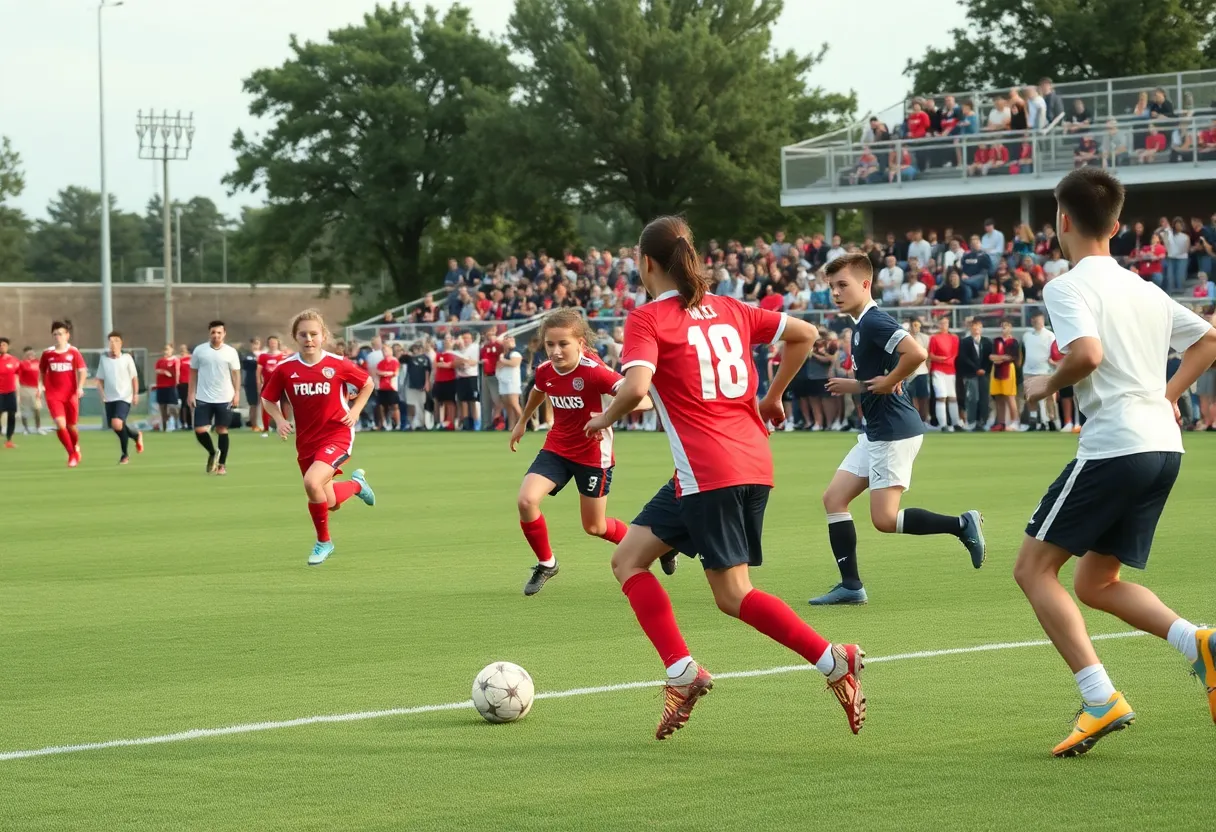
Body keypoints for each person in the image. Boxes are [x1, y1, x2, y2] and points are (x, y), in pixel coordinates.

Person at [583, 216, 866, 741]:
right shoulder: (732, 308)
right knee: (627, 558)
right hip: (746, 463)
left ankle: (834, 660)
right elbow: (804, 334)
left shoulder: (647, 318)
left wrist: (603, 418)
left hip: (708, 471)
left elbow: (637, 383)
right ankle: (681, 672)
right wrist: (773, 394)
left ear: (645, 263)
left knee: (733, 594)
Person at [1013, 167, 1216, 757]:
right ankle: (1198, 642)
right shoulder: (1144, 287)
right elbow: (1207, 341)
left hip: (1116, 446)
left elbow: (1088, 354)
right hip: (1162, 449)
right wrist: (1168, 396)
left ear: (1063, 221)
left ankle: (1101, 699)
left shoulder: (1066, 285)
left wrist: (1044, 386)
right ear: (1119, 224)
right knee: (1097, 582)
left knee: (1032, 570)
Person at [809, 253, 984, 606]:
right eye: (832, 287)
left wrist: (890, 380)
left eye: (843, 285)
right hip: (877, 429)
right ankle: (851, 586)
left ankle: (962, 524)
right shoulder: (861, 325)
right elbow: (883, 376)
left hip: (893, 431)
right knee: (834, 498)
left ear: (865, 284)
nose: (836, 293)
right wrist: (857, 385)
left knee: (884, 519)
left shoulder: (873, 321)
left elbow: (916, 353)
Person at [509, 310, 656, 596]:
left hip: (592, 455)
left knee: (595, 526)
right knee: (526, 500)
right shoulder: (545, 370)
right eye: (550, 344)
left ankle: (656, 544)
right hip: (557, 448)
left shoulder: (594, 372)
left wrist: (606, 416)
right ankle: (547, 562)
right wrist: (522, 421)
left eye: (563, 344)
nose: (555, 350)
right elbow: (539, 390)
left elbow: (643, 400)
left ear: (580, 342)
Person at [260, 310, 377, 566]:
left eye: (314, 333)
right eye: (303, 334)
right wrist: (279, 419)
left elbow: (368, 383)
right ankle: (357, 485)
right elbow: (268, 398)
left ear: (323, 336)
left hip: (337, 433)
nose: (309, 338)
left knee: (312, 483)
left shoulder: (337, 364)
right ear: (295, 337)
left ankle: (324, 542)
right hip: (306, 441)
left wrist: (355, 411)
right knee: (330, 502)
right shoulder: (285, 369)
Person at [188, 321, 241, 475]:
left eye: (219, 333)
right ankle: (212, 452)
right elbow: (192, 372)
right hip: (203, 397)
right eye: (213, 332)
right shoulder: (200, 350)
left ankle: (222, 465)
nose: (216, 335)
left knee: (221, 429)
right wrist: (191, 393)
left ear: (224, 334)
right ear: (209, 333)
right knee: (199, 429)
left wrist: (237, 393)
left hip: (225, 397)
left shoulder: (230, 352)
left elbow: (236, 373)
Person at [39, 320, 87, 467]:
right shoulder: (48, 353)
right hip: (53, 394)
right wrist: (41, 385)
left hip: (70, 394)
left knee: (72, 426)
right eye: (55, 334)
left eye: (60, 333)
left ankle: (76, 446)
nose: (57, 336)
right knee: (61, 424)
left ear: (67, 335)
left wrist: (80, 387)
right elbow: (42, 370)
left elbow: (82, 370)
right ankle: (71, 454)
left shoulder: (74, 352)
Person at [94, 331, 144, 464]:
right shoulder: (104, 360)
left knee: (117, 423)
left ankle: (125, 455)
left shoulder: (127, 358)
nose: (113, 344)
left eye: (116, 341)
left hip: (124, 396)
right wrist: (102, 394)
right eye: (111, 341)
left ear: (121, 343)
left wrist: (135, 394)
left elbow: (134, 377)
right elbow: (99, 379)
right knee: (116, 426)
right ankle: (135, 435)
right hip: (110, 398)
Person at [1022, 311, 1060, 430]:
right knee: (1031, 397)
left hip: (1046, 370)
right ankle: (1033, 421)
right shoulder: (1026, 335)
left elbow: (1055, 352)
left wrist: (1053, 362)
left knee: (1049, 397)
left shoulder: (1050, 335)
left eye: (1038, 320)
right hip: (1029, 371)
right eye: (1033, 320)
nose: (1036, 322)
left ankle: (1051, 421)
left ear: (1043, 320)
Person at [957, 318, 992, 431]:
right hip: (971, 374)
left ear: (981, 328)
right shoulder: (965, 342)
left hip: (984, 374)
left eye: (978, 326)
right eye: (974, 326)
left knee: (984, 398)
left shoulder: (987, 342)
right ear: (971, 328)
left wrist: (984, 370)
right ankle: (971, 421)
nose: (976, 328)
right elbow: (964, 358)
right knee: (972, 398)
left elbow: (989, 358)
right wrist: (976, 369)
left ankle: (982, 422)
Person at [928, 317, 961, 431]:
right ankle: (943, 424)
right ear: (938, 324)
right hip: (938, 370)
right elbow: (931, 355)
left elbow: (955, 354)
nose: (944, 325)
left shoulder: (954, 338)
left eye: (946, 323)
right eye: (941, 323)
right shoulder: (934, 338)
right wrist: (940, 359)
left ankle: (956, 423)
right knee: (941, 396)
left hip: (950, 370)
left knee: (952, 396)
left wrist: (946, 360)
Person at [989, 320, 1022, 431]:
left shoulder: (1013, 342)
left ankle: (1015, 421)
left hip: (1008, 369)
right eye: (1003, 327)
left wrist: (1000, 358)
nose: (1004, 329)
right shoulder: (996, 341)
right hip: (996, 370)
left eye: (1006, 327)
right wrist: (1001, 358)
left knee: (1010, 396)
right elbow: (992, 356)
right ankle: (1001, 422)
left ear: (1010, 328)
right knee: (999, 397)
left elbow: (1011, 357)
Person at [256, 336, 287, 437]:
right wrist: (259, 383)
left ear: (278, 343)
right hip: (267, 385)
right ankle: (265, 429)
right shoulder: (263, 356)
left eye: (275, 342)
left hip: (281, 385)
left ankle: (284, 428)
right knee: (265, 406)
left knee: (283, 406)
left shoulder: (283, 356)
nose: (273, 344)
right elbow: (258, 371)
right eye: (271, 342)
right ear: (268, 343)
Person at [496, 334, 524, 430]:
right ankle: (511, 427)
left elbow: (514, 363)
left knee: (514, 403)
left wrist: (503, 362)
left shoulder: (515, 353)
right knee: (507, 405)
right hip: (503, 381)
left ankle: (522, 425)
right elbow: (498, 366)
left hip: (512, 382)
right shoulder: (502, 354)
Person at [454, 331, 481, 430]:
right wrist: (462, 362)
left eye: (467, 338)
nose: (466, 340)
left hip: (471, 377)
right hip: (461, 377)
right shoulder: (459, 350)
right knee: (463, 401)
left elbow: (474, 362)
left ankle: (476, 424)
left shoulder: (474, 348)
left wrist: (465, 362)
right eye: (464, 338)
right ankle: (466, 424)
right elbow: (455, 363)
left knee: (473, 401)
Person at [403, 342, 432, 430]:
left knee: (420, 405)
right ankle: (411, 423)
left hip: (421, 385)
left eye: (419, 348)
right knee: (411, 404)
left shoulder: (426, 358)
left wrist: (427, 383)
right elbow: (401, 359)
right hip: (411, 384)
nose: (417, 350)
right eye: (415, 348)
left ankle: (421, 424)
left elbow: (427, 371)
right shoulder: (409, 358)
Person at [432, 335, 459, 430]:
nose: (447, 342)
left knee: (450, 402)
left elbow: (452, 365)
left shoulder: (455, 353)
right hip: (439, 380)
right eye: (445, 340)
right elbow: (435, 365)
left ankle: (451, 422)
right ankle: (440, 422)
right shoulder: (439, 354)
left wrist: (445, 365)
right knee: (439, 402)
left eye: (449, 340)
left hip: (449, 380)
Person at [152, 344, 180, 431]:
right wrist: (164, 372)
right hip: (161, 386)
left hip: (171, 386)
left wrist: (177, 382)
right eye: (165, 350)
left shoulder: (175, 360)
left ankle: (176, 424)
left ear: (172, 350)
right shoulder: (160, 361)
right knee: (162, 407)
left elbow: (177, 371)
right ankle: (164, 427)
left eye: (168, 349)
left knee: (172, 407)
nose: (166, 351)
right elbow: (157, 370)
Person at [17, 346, 42, 436]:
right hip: (25, 388)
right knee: (25, 409)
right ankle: (25, 428)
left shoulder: (38, 363)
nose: (30, 355)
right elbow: (18, 376)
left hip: (35, 388)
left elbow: (41, 375)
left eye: (31, 353)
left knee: (37, 409)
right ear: (25, 355)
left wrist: (40, 387)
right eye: (28, 354)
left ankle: (38, 428)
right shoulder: (22, 364)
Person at [376, 345, 401, 430]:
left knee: (395, 406)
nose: (384, 353)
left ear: (390, 351)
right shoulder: (381, 362)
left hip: (392, 387)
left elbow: (396, 372)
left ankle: (397, 424)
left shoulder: (394, 361)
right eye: (383, 351)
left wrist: (387, 373)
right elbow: (378, 372)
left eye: (386, 351)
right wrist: (387, 373)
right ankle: (384, 423)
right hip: (382, 387)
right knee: (381, 406)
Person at [241, 337, 263, 432]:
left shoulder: (264, 355)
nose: (255, 345)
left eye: (257, 343)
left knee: (263, 404)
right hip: (251, 382)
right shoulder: (247, 355)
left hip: (263, 382)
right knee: (253, 404)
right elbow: (247, 365)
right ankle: (254, 425)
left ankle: (265, 424)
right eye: (253, 343)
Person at [0, 338, 18, 448]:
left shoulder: (14, 360)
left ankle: (9, 440)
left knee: (12, 416)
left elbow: (20, 373)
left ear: (7, 347)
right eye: (0, 345)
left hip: (10, 393)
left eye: (4, 345)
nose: (2, 346)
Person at [176, 345, 193, 431]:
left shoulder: (191, 358)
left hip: (191, 383)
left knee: (191, 403)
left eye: (184, 349)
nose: (182, 350)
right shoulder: (179, 359)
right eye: (181, 349)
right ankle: (183, 423)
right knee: (184, 403)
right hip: (182, 383)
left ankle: (190, 423)